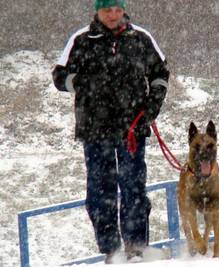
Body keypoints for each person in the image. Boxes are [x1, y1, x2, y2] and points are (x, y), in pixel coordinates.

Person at [52, 0, 169, 263]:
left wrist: (153, 106)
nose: (113, 15)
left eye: (117, 9)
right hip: (95, 130)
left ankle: (137, 247)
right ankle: (111, 251)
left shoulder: (141, 38)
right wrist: (83, 83)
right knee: (100, 192)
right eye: (107, 10)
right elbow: (59, 77)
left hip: (133, 127)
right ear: (97, 11)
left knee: (134, 188)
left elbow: (160, 72)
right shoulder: (81, 39)